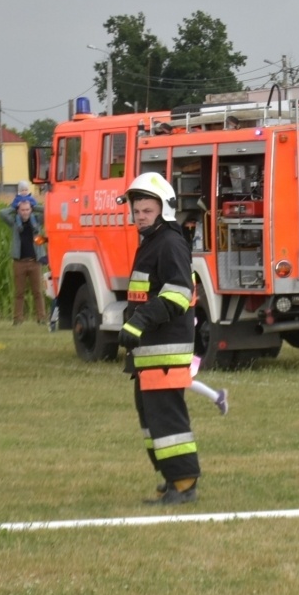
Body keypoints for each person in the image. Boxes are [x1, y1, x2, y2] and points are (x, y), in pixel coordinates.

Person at [116, 172, 201, 505]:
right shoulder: (152, 242)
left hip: (165, 353)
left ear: (163, 210)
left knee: (168, 420)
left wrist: (138, 323)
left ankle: (184, 485)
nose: (139, 216)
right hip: (149, 354)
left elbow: (179, 294)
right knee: (151, 420)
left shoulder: (169, 242)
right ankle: (171, 477)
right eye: (136, 211)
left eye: (146, 211)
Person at [0, 193, 49, 326]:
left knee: (38, 292)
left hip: (35, 261)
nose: (25, 212)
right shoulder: (15, 223)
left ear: (31, 210)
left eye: (27, 209)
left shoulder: (37, 222)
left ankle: (42, 318)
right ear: (18, 211)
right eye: (22, 210)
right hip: (19, 262)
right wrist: (14, 205)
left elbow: (47, 210)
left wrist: (34, 205)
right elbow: (2, 213)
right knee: (19, 292)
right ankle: (17, 319)